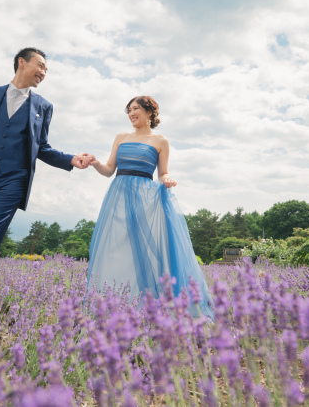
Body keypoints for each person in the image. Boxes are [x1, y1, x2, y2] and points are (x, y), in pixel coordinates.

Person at [0, 47, 91, 341]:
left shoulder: (43, 106)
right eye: (41, 66)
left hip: (14, 181)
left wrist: (70, 159)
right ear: (22, 62)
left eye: (47, 70)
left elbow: (42, 147)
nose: (44, 73)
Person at [85, 96, 214, 319]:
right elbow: (109, 170)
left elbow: (162, 172)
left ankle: (151, 306)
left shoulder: (161, 141)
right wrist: (95, 162)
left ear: (149, 113)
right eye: (129, 110)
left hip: (146, 198)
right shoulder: (120, 137)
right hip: (118, 196)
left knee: (150, 250)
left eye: (136, 109)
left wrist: (167, 179)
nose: (131, 113)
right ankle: (115, 306)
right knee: (116, 249)